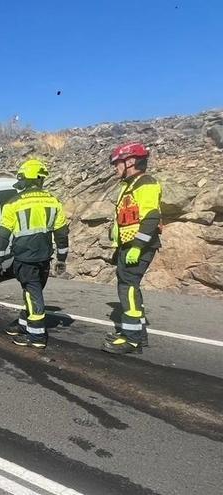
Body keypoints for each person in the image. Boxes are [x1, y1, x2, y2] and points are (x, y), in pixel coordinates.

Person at [0, 159, 69, 349]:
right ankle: (23, 323)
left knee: (32, 292)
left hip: (24, 258)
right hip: (44, 258)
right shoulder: (54, 201)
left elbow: (3, 235)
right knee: (33, 291)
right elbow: (61, 234)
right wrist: (62, 259)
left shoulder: (13, 203)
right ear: (40, 180)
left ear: (25, 180)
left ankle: (36, 336)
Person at [103, 142, 162, 354]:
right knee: (129, 287)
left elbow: (151, 216)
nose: (115, 168)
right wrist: (119, 248)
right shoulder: (129, 185)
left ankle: (132, 338)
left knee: (127, 289)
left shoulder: (145, 183)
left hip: (140, 246)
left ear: (130, 161)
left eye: (117, 163)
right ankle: (137, 334)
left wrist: (137, 246)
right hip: (128, 246)